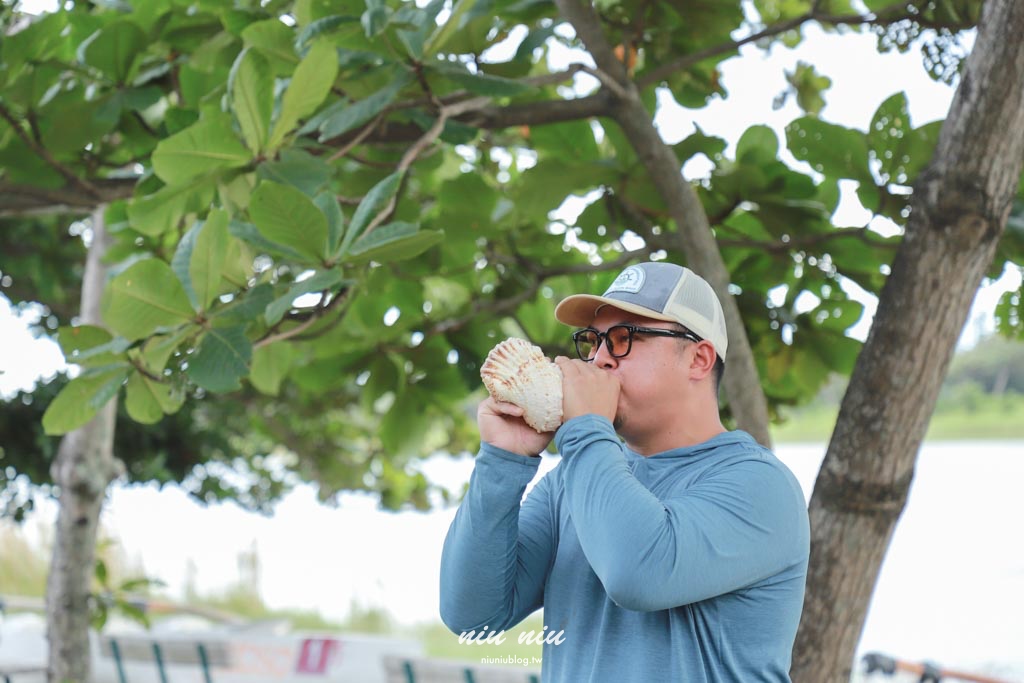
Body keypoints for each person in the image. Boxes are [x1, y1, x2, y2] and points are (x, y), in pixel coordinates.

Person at [439, 261, 810, 682]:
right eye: (593, 341)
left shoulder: (761, 486)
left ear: (699, 359)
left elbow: (638, 573)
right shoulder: (570, 481)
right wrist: (503, 461)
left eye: (623, 339)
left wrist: (585, 429)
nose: (599, 360)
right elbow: (471, 615)